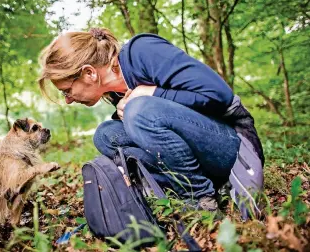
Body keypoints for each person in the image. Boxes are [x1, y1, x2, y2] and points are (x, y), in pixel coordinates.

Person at [38, 28, 264, 213]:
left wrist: (153, 93)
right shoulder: (117, 92)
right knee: (105, 134)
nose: (68, 100)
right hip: (200, 159)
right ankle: (171, 188)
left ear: (89, 73)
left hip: (228, 147)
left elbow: (220, 95)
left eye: (67, 90)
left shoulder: (142, 52)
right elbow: (161, 125)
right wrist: (122, 112)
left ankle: (199, 198)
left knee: (139, 110)